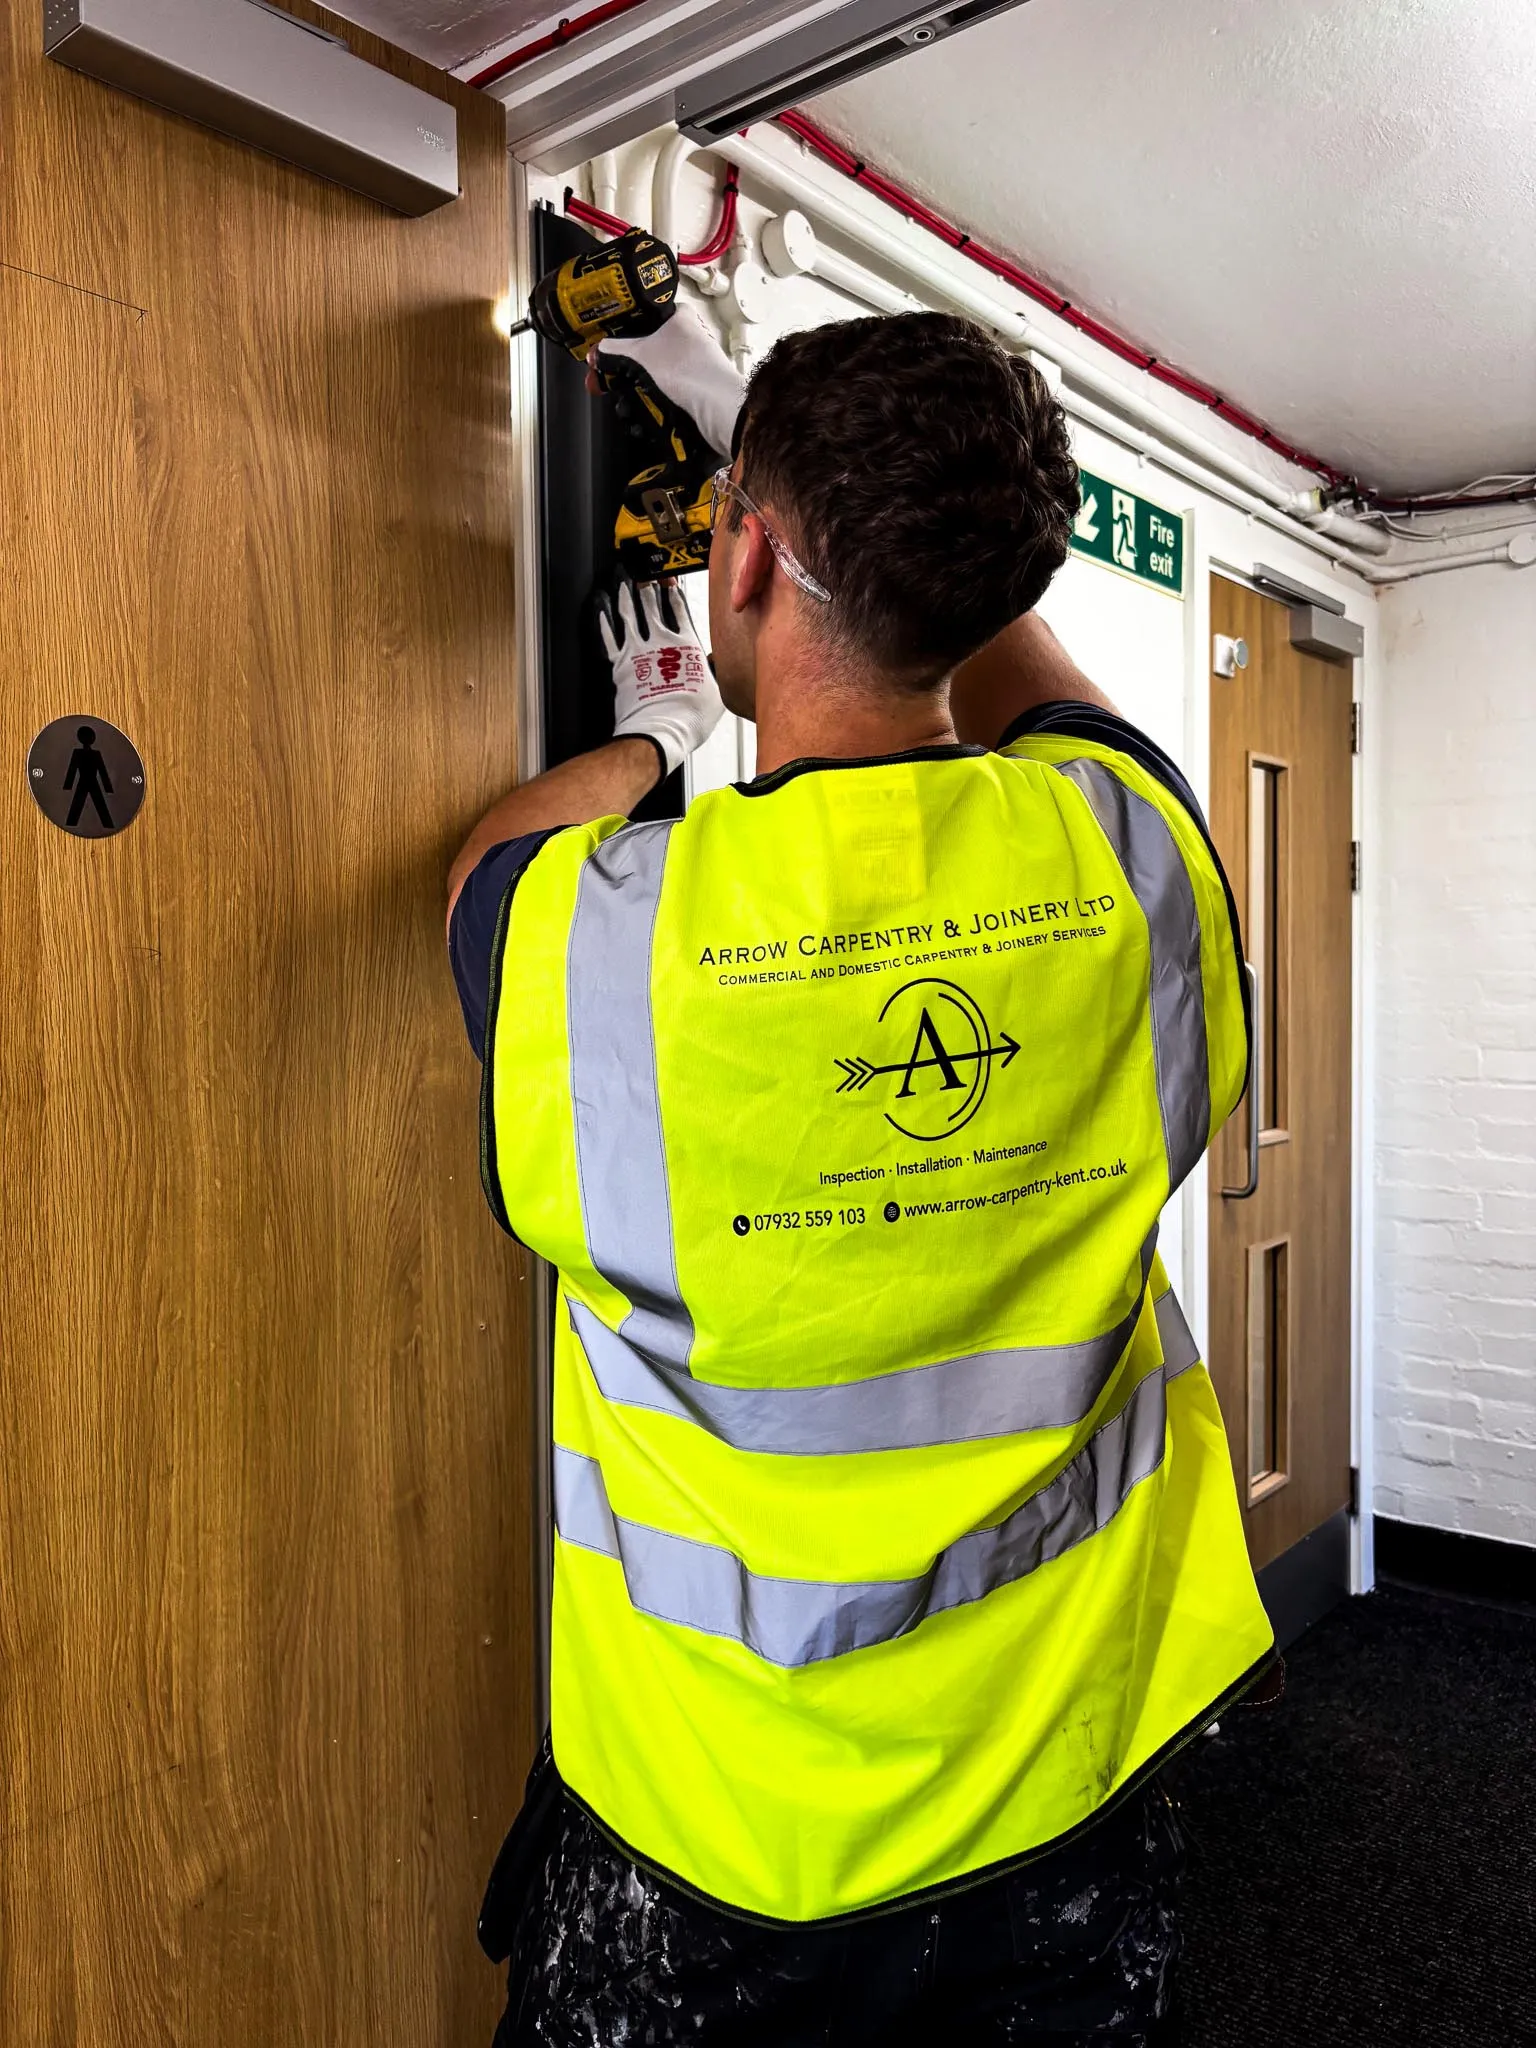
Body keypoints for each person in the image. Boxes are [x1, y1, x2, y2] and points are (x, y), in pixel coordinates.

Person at [447, 306, 1276, 2046]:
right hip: (1061, 1804)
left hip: (712, 1828)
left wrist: (664, 728)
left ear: (746, 556)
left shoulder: (611, 940)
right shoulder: (1135, 870)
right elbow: (1059, 698)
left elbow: (485, 869)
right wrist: (817, 505)